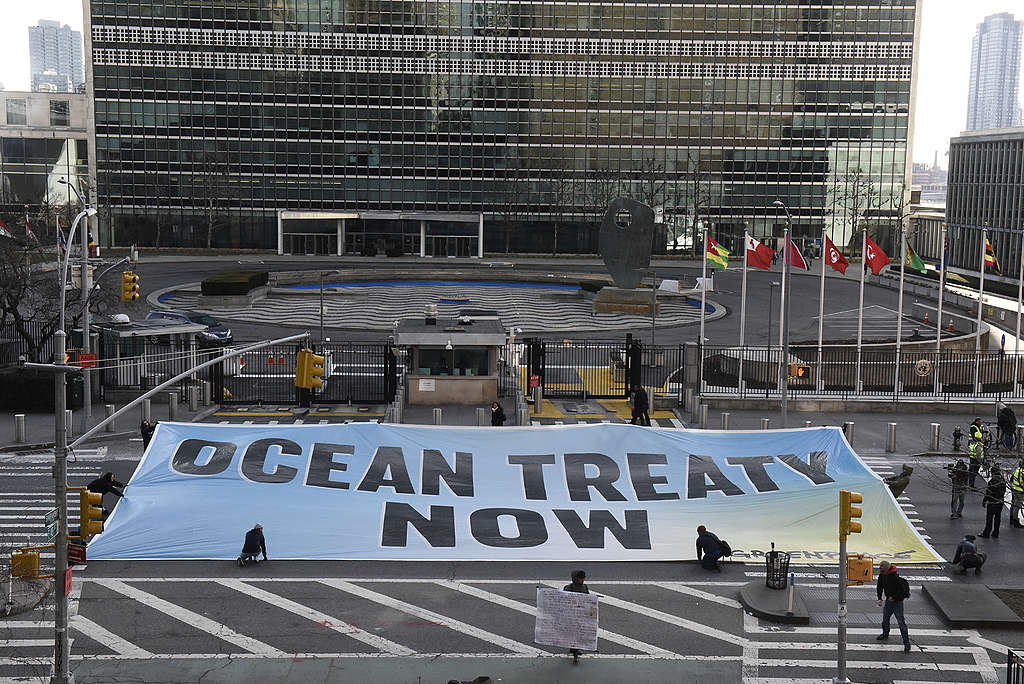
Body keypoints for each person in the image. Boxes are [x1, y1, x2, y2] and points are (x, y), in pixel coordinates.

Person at [875, 560, 911, 653]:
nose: (880, 569)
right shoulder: (882, 575)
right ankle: (885, 634)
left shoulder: (895, 577)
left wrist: (893, 597)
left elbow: (902, 590)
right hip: (888, 602)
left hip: (897, 603)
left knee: (901, 623)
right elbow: (879, 586)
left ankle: (907, 644)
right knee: (885, 620)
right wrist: (880, 598)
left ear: (887, 568)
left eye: (881, 567)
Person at [563, 570, 590, 664]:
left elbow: (588, 598)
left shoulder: (585, 587)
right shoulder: (568, 588)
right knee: (573, 634)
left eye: (583, 578)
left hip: (581, 614)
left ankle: (574, 649)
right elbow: (564, 600)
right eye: (580, 579)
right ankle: (575, 653)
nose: (582, 580)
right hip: (571, 615)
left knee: (579, 633)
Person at [980, 467, 1006, 538]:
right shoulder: (1002, 480)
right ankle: (996, 532)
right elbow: (1004, 491)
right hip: (1000, 501)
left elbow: (988, 492)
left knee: (989, 518)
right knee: (997, 517)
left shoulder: (992, 481)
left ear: (992, 472)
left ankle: (986, 533)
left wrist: (984, 500)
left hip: (992, 502)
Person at [968, 418, 985, 489]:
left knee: (972, 470)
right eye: (980, 422)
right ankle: (971, 485)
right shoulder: (978, 445)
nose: (981, 423)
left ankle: (969, 482)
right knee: (974, 472)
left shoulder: (974, 444)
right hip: (976, 459)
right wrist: (982, 461)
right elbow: (978, 454)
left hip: (972, 457)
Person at [1010, 461, 1024, 529]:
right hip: (1020, 491)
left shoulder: (1017, 469)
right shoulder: (1023, 472)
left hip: (1014, 489)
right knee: (1017, 506)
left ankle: (1012, 519)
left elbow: (1012, 479)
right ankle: (1015, 521)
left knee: (1013, 504)